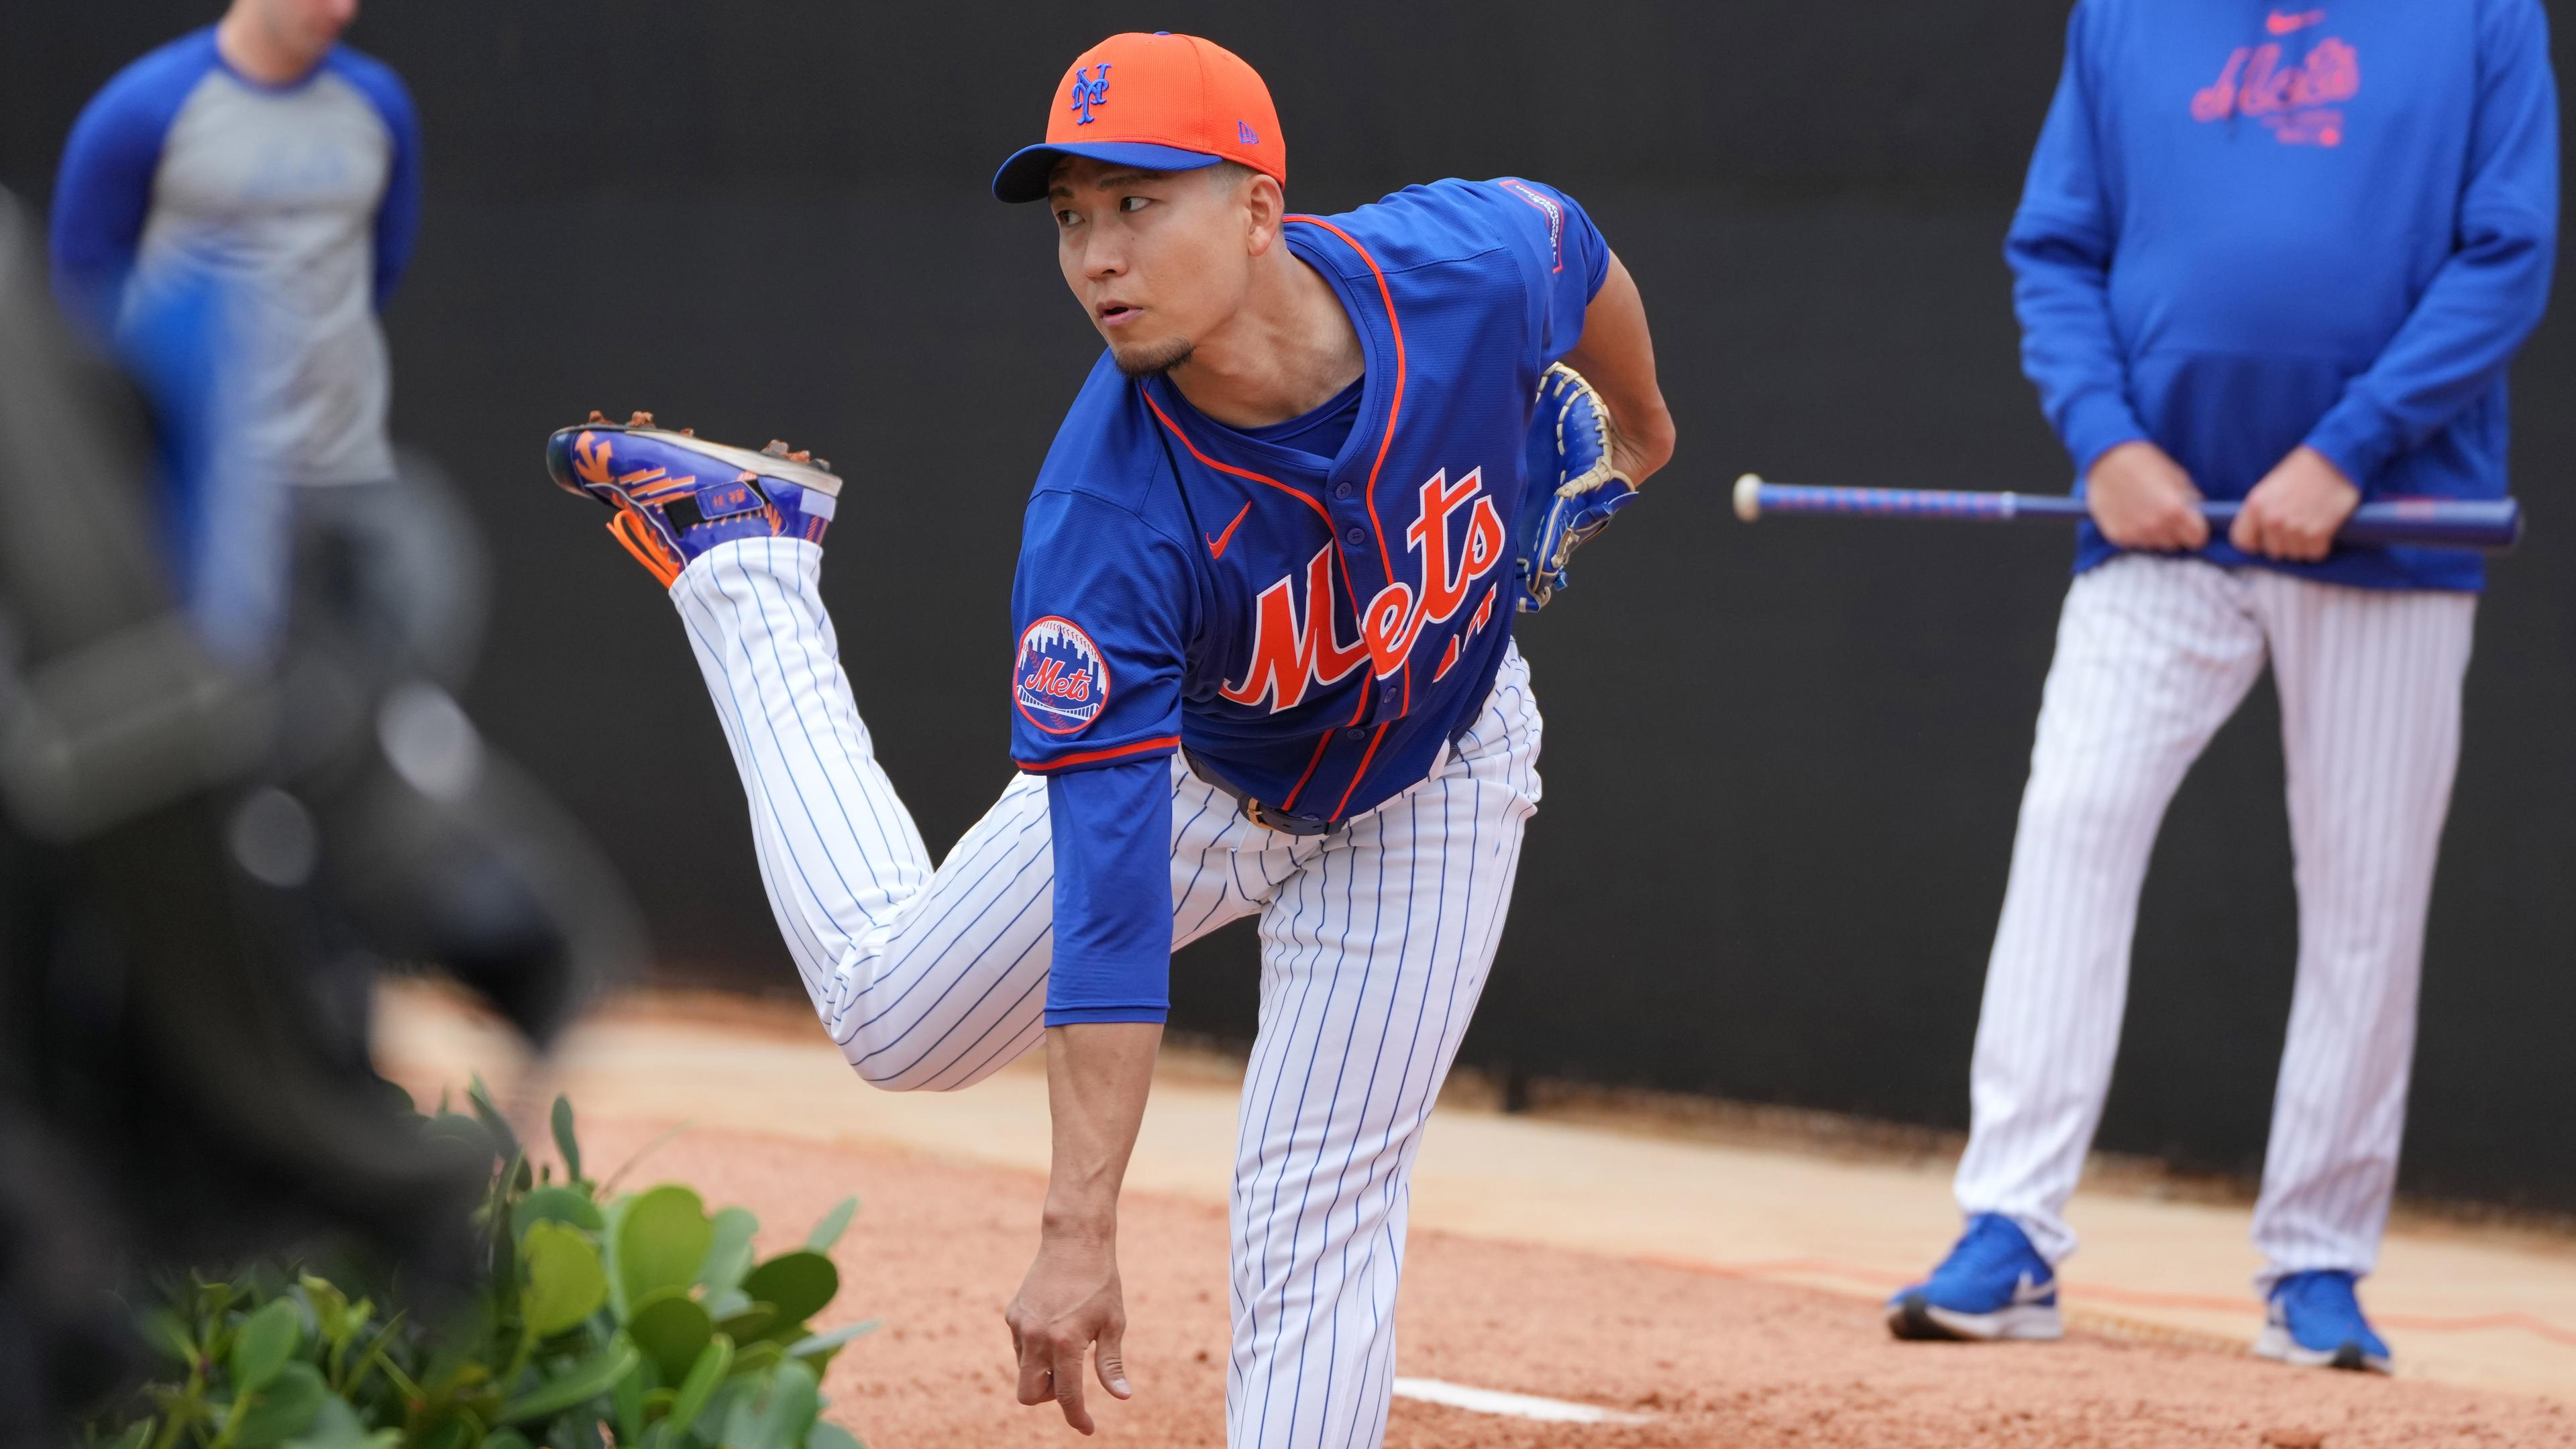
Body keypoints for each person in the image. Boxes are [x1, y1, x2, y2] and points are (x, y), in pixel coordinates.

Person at [544, 31, 1672, 1445]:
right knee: (896, 1027)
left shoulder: (1457, 268)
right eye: (1074, 217)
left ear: (1261, 208)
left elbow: (1573, 248)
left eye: (1139, 202)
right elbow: (1114, 911)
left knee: (1316, 1202)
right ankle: (750, 561)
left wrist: (1641, 429)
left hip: (1434, 775)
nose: (1096, 256)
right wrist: (1079, 1227)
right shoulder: (1106, 524)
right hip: (1202, 785)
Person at [1887, 0, 2557, 1374]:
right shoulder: (2125, 16)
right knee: (2073, 831)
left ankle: (2317, 1259)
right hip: (2158, 523)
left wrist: (2349, 452)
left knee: (2366, 898)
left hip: (2388, 525)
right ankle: (2009, 1229)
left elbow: (2509, 253)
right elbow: (2058, 248)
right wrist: (2106, 439)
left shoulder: (2483, 15)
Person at [48, 0, 447, 671]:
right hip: (185, 495)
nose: (341, 10)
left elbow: (382, 262)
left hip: (330, 476)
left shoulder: (377, 106)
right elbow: (82, 298)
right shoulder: (145, 108)